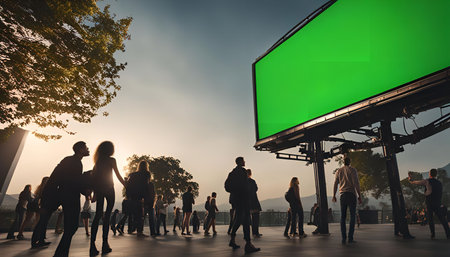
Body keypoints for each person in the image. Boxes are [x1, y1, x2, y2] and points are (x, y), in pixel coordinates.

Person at [31, 141, 90, 257]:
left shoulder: (68, 160)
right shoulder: (76, 163)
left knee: (45, 219)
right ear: (80, 150)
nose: (88, 149)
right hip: (69, 196)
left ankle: (38, 241)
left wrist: (46, 196)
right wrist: (84, 190)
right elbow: (74, 182)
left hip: (57, 194)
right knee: (72, 226)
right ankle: (60, 253)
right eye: (86, 148)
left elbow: (55, 177)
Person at [90, 141, 126, 256]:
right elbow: (118, 175)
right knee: (107, 216)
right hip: (109, 189)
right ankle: (105, 244)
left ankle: (92, 245)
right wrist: (127, 185)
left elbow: (94, 178)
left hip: (99, 189)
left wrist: (94, 193)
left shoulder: (98, 161)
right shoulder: (112, 160)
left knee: (98, 215)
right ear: (110, 150)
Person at [224, 157, 260, 254]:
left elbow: (227, 186)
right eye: (243, 160)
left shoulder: (232, 173)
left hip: (236, 200)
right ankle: (248, 244)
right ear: (240, 162)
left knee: (238, 219)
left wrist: (235, 192)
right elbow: (245, 186)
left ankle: (233, 239)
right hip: (244, 199)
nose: (245, 162)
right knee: (246, 221)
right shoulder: (243, 172)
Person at [409, 168, 450, 239]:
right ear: (436, 174)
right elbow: (440, 193)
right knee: (442, 219)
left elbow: (417, 182)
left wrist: (411, 181)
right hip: (437, 202)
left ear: (430, 174)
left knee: (430, 219)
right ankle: (448, 234)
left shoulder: (427, 181)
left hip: (430, 202)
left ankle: (433, 234)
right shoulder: (439, 183)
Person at [332, 156, 362, 244]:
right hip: (351, 194)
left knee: (343, 217)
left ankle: (343, 238)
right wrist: (359, 196)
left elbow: (335, 184)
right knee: (352, 216)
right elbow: (356, 183)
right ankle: (350, 238)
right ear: (350, 162)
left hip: (343, 195)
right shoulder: (353, 170)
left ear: (343, 162)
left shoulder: (339, 171)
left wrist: (334, 195)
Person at [127, 161, 152, 237]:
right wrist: (146, 198)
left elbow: (129, 186)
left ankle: (132, 229)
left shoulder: (132, 175)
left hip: (132, 197)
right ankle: (139, 232)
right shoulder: (147, 174)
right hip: (140, 197)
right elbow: (146, 186)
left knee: (134, 214)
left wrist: (128, 196)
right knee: (141, 215)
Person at [247, 169, 262, 237]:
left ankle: (251, 233)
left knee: (248, 219)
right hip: (254, 201)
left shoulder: (244, 182)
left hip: (247, 202)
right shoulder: (252, 181)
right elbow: (256, 189)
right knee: (256, 218)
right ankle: (255, 232)